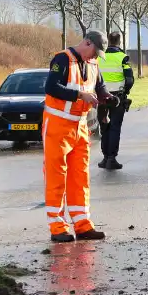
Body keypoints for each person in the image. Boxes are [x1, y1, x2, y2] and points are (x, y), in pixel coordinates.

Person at [42, 30, 117, 243]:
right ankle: (58, 227)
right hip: (57, 125)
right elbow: (51, 87)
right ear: (86, 43)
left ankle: (82, 225)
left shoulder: (93, 64)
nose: (95, 57)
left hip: (80, 127)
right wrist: (79, 95)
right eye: (95, 51)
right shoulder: (62, 59)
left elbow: (99, 87)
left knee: (80, 177)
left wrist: (107, 97)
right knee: (56, 177)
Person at [97, 31, 134, 170]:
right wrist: (125, 91)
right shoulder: (123, 57)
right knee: (114, 127)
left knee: (104, 126)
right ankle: (111, 159)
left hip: (101, 97)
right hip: (117, 98)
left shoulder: (99, 57)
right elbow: (129, 80)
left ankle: (105, 157)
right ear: (119, 42)